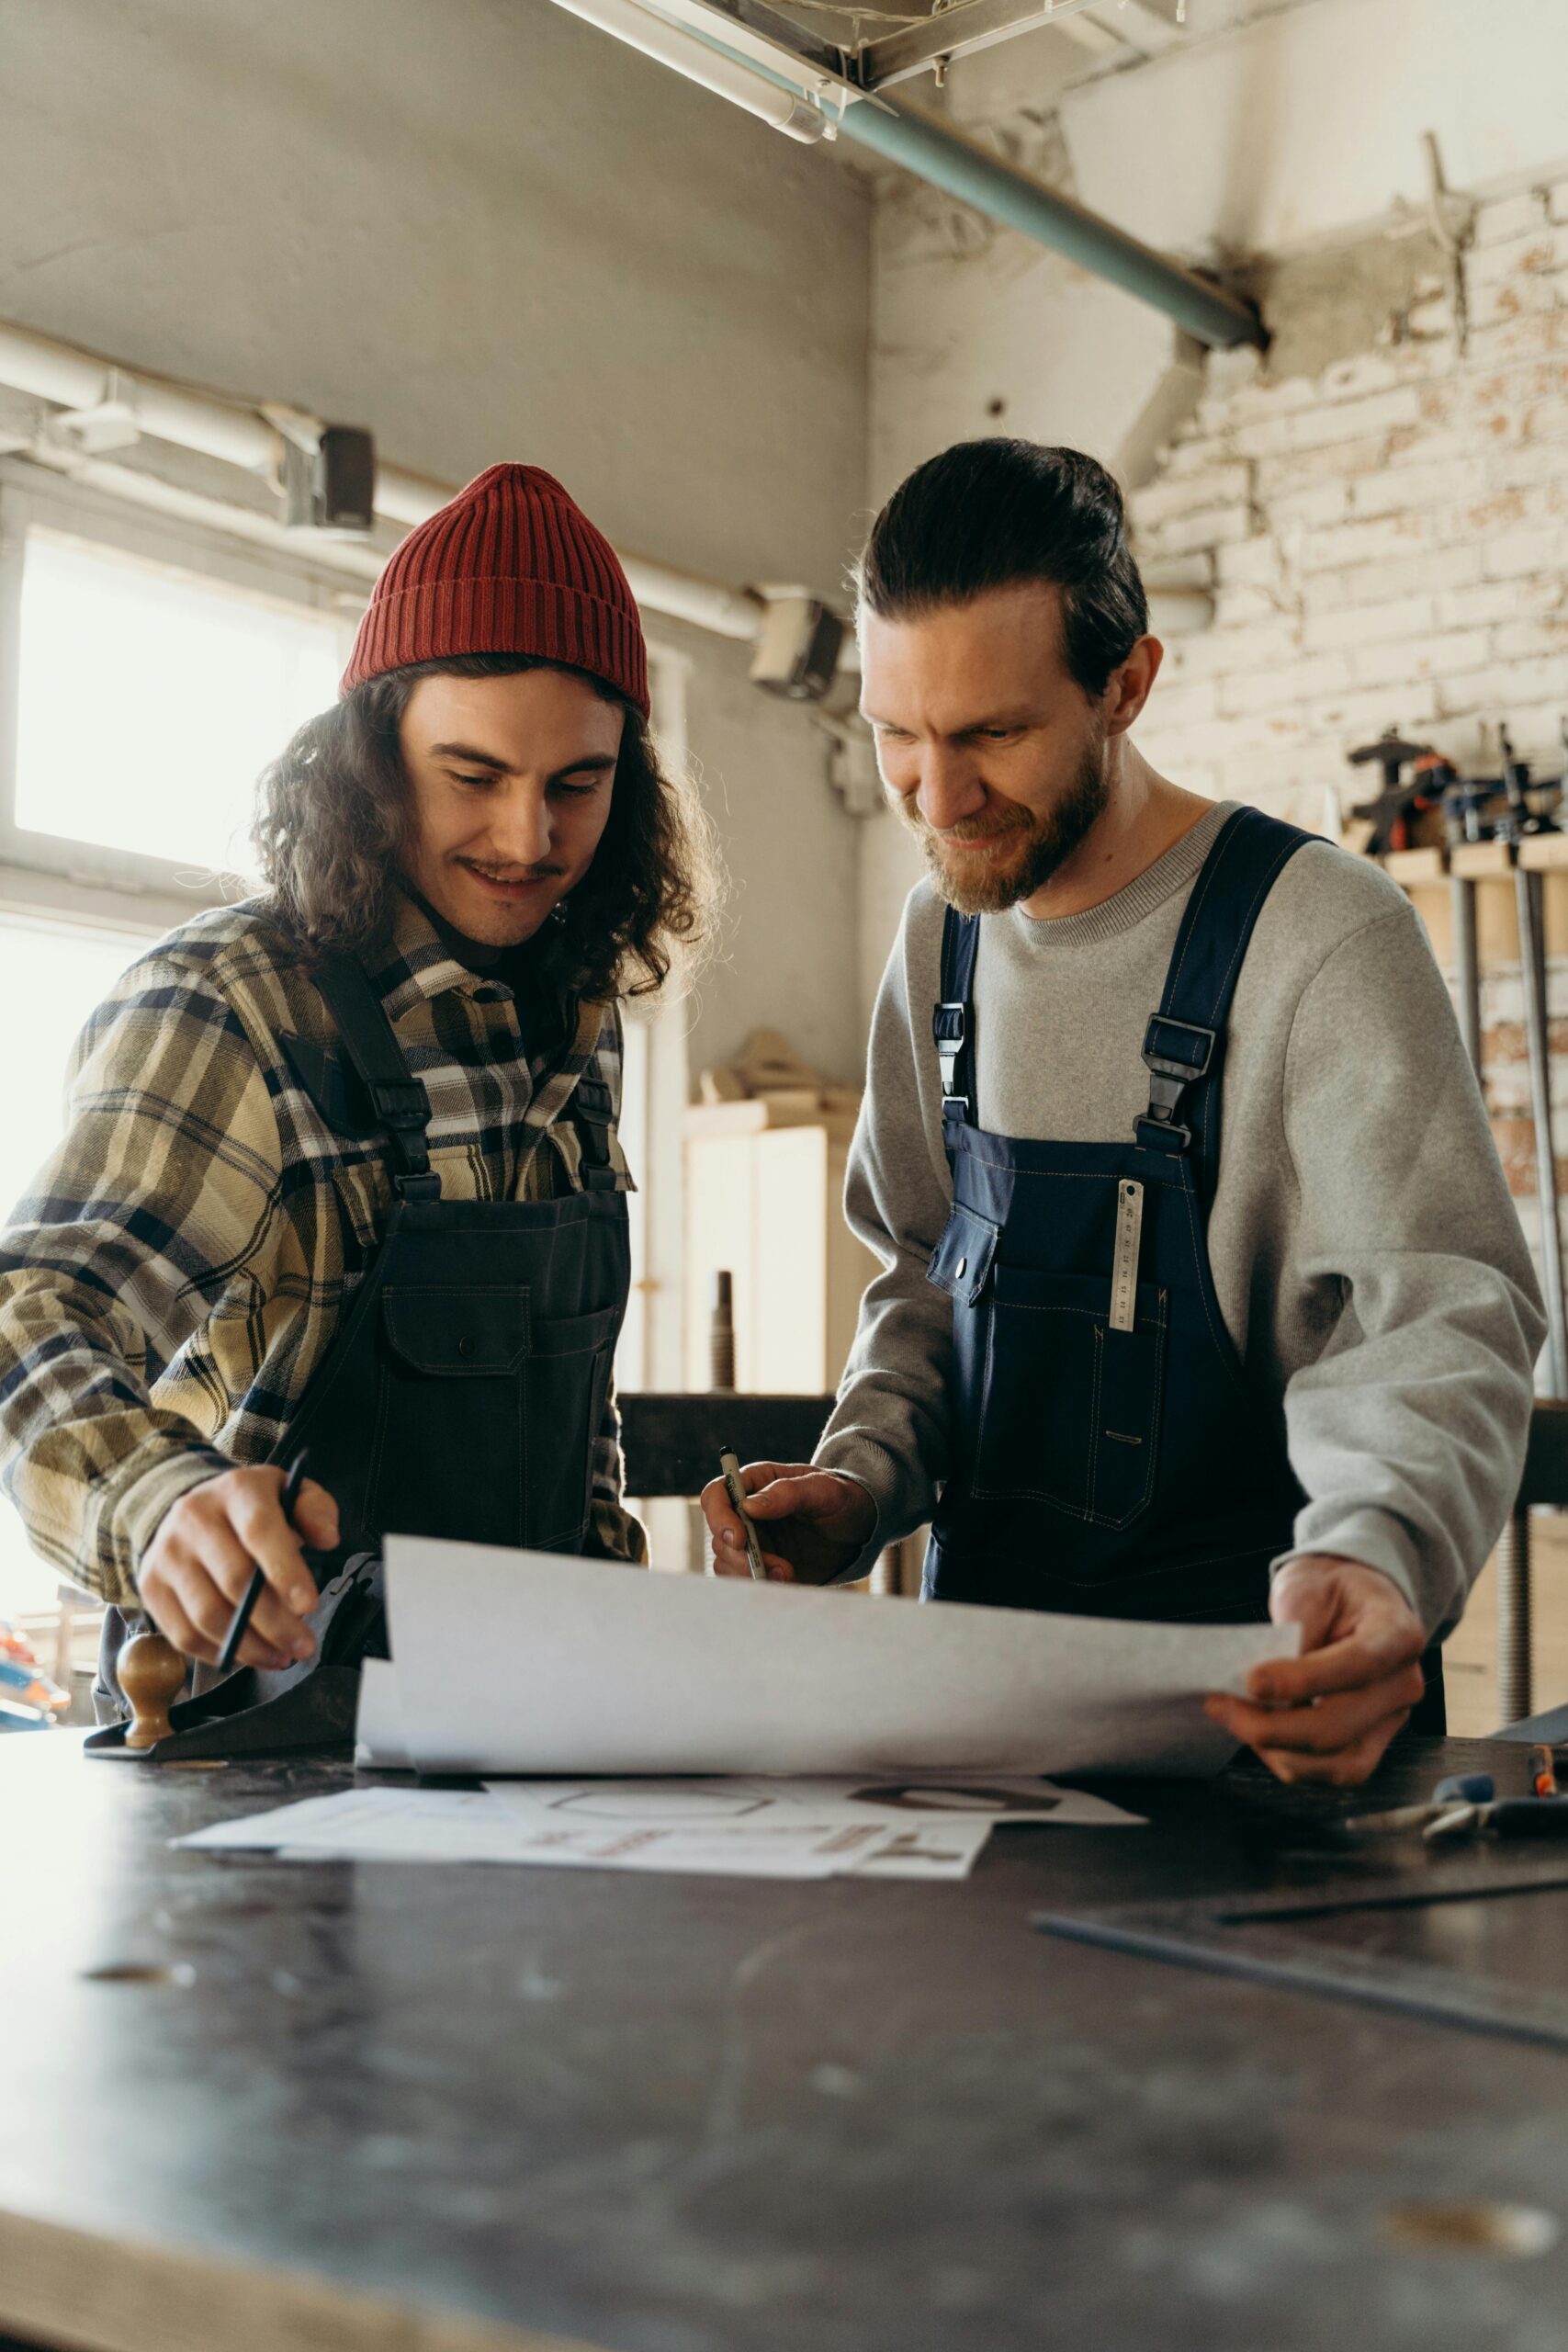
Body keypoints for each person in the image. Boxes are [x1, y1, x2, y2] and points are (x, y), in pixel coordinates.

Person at [704, 439, 1543, 1788]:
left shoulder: (1319, 936)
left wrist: (1374, 1551)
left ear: (1127, 685)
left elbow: (1435, 1309)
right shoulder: (941, 944)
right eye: (897, 735)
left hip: (1270, 1737)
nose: (939, 795)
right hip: (978, 1740)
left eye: (992, 734)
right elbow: (925, 1277)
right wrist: (860, 1481)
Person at [0, 461, 713, 1719]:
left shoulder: (584, 1029)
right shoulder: (235, 1007)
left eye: (577, 786)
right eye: (473, 775)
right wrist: (159, 1501)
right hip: (262, 1768)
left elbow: (570, 1423)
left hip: (533, 1743)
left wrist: (624, 1631)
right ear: (370, 756)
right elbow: (30, 1313)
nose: (527, 840)